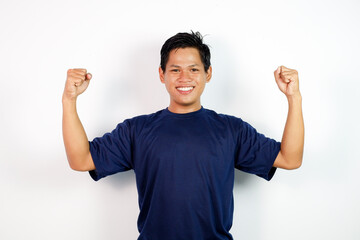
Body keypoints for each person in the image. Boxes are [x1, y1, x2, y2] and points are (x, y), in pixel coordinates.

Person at [62, 31, 304, 240]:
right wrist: (69, 100)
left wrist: (294, 98)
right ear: (161, 74)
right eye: (175, 69)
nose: (184, 78)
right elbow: (81, 160)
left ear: (208, 73)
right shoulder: (136, 130)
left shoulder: (232, 129)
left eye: (194, 69)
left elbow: (289, 158)